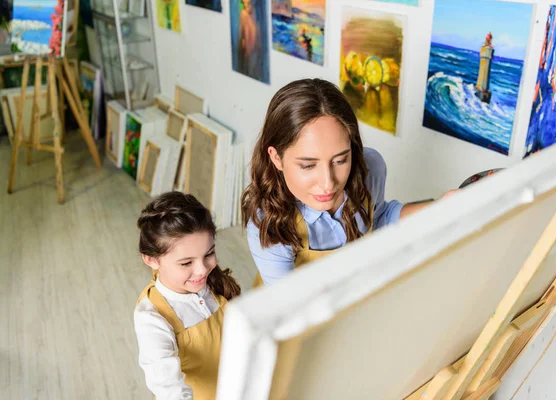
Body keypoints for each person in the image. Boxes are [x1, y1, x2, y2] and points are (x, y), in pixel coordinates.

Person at [241, 78, 457, 286]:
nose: (328, 184)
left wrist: (442, 206)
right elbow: (288, 308)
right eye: (308, 165)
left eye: (340, 160)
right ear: (276, 157)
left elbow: (380, 218)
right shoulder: (268, 222)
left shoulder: (370, 168)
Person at [134, 192, 241, 400]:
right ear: (151, 260)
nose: (202, 270)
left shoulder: (209, 283)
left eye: (209, 254)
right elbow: (168, 388)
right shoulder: (152, 319)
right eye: (186, 263)